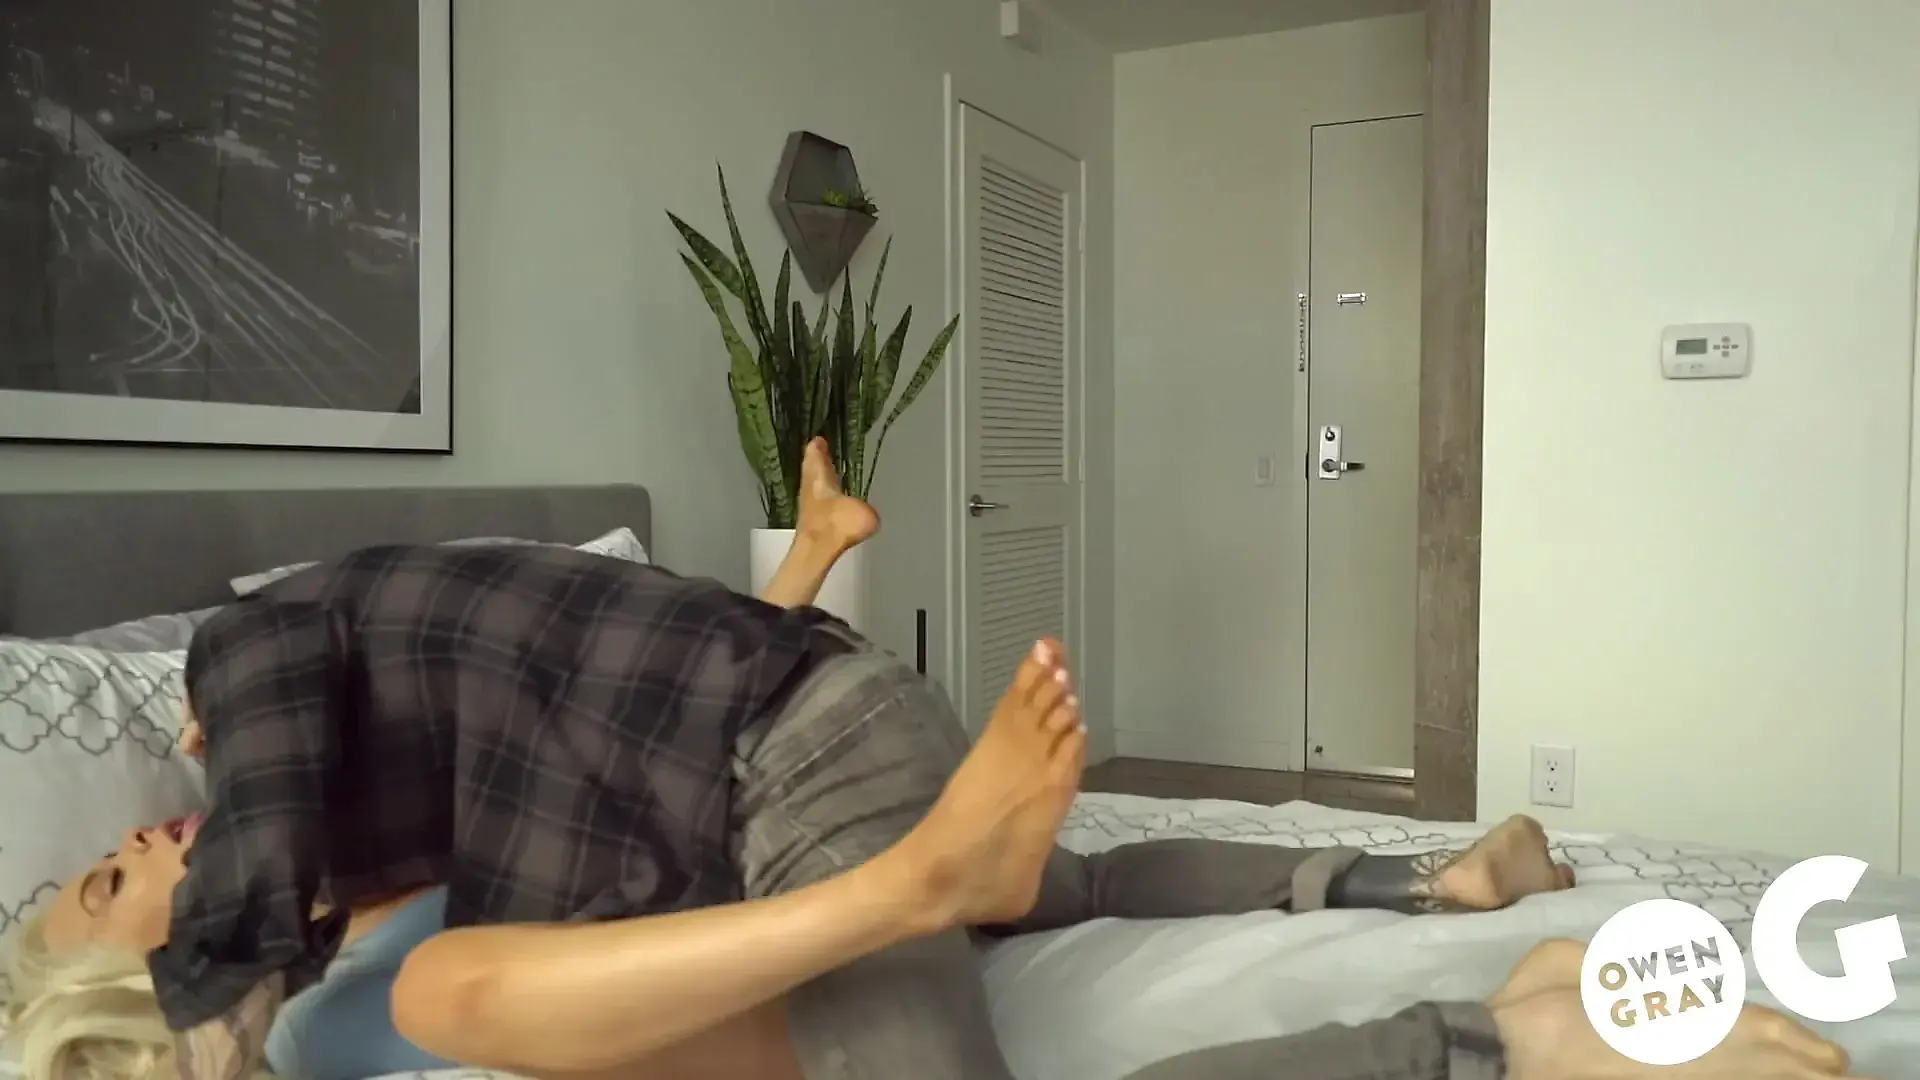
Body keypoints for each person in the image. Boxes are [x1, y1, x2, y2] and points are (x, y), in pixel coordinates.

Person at [0, 441, 1857, 1080]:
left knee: (1000, 889)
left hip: (789, 827)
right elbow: (604, 721)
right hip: (779, 792)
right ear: (104, 1006)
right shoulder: (336, 964)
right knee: (1066, 879)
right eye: (100, 878)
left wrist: (222, 974)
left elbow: (576, 747)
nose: (145, 842)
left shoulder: (274, 736)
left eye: (124, 850)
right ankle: (1431, 918)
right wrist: (806, 576)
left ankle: (1492, 1032)